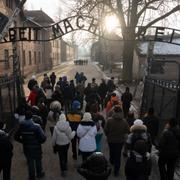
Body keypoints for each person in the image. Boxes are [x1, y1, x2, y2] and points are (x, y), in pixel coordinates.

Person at [15, 110, 46, 180]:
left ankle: (32, 177)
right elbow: (43, 138)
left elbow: (16, 137)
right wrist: (39, 142)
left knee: (30, 162)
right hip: (36, 147)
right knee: (38, 160)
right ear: (32, 117)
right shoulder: (37, 127)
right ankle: (39, 173)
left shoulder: (22, 125)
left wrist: (23, 141)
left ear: (25, 117)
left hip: (26, 147)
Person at [104, 105, 129, 176]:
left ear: (114, 111)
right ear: (121, 112)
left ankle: (111, 161)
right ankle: (116, 171)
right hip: (120, 141)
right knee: (118, 155)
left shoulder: (109, 120)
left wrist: (108, 135)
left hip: (111, 140)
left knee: (112, 151)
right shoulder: (124, 121)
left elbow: (105, 130)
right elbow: (127, 130)